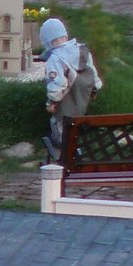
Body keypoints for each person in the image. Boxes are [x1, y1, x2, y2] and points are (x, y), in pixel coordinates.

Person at [40, 16, 102, 160]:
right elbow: (94, 76)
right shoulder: (83, 52)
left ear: (47, 41)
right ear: (65, 34)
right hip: (81, 102)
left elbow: (57, 86)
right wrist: (94, 90)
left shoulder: (55, 59)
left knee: (58, 130)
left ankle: (65, 160)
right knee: (74, 129)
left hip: (65, 106)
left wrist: (52, 102)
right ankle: (74, 153)